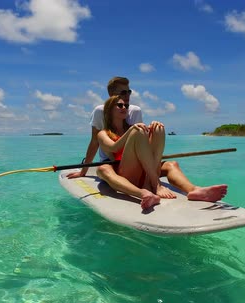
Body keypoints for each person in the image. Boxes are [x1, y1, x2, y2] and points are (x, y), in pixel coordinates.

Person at [67, 76, 227, 207]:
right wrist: (84, 171)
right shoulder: (102, 122)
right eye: (122, 95)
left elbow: (142, 143)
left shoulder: (134, 113)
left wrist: (154, 130)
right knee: (103, 169)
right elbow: (98, 142)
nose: (126, 100)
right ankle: (150, 187)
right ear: (111, 97)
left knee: (171, 162)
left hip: (140, 164)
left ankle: (194, 190)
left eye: (129, 93)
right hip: (118, 164)